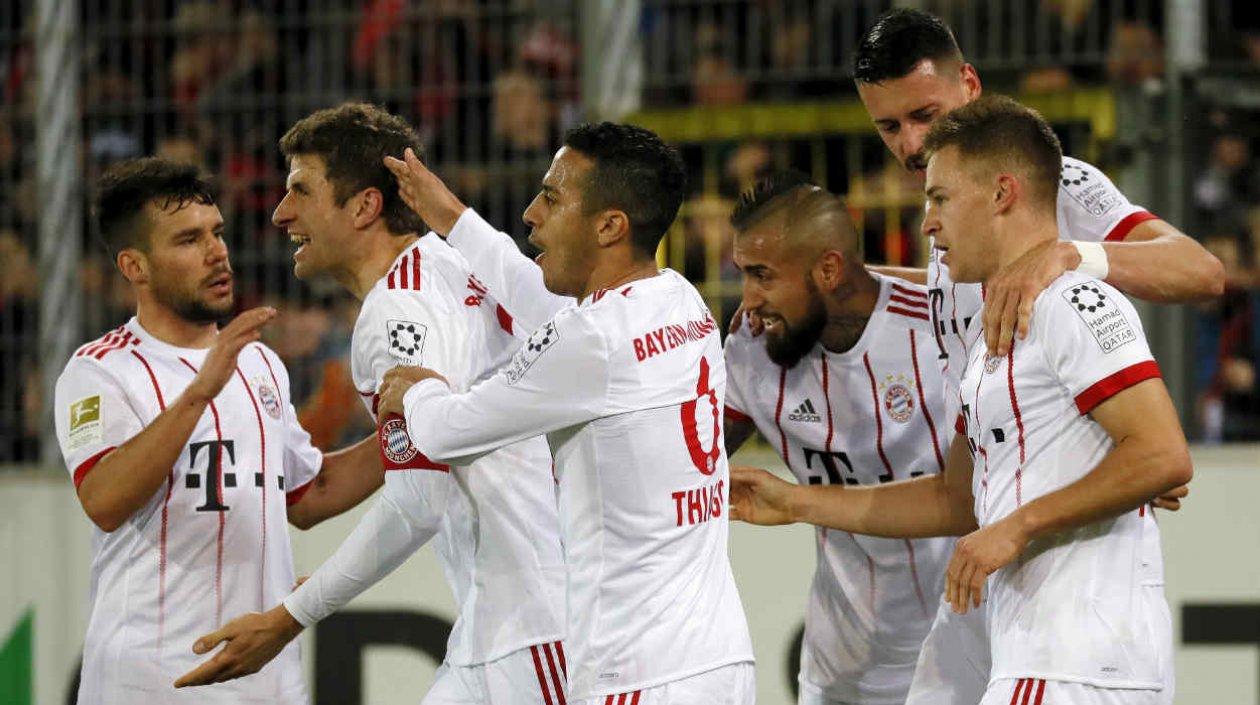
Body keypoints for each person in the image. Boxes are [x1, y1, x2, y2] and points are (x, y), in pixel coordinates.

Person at [734, 95, 1192, 705]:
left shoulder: (1073, 302)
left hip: (1080, 659)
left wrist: (1017, 526)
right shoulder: (980, 336)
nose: (927, 224)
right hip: (1017, 643)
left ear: (1002, 194)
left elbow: (1163, 456)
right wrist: (795, 502)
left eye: (940, 199)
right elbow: (954, 499)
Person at [173, 103, 568, 704]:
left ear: (363, 207)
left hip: (529, 631)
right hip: (512, 620)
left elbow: (419, 501)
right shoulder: (454, 263)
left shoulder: (395, 311)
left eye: (301, 190)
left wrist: (290, 616)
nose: (281, 213)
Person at [377, 122, 756, 705]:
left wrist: (417, 390)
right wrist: (453, 218)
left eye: (552, 198)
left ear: (610, 226)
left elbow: (448, 432)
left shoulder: (591, 340)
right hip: (719, 661)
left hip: (638, 676)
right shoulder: (681, 299)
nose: (531, 214)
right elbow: (538, 298)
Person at [53, 158, 384, 704]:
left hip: (269, 684)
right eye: (189, 240)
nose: (216, 252)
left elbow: (309, 494)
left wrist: (413, 432)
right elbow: (104, 500)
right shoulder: (100, 371)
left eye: (217, 232)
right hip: (152, 685)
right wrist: (199, 392)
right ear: (135, 266)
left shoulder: (258, 362)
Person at [721, 172, 954, 705]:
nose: (748, 300)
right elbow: (690, 457)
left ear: (828, 269)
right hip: (839, 676)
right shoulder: (753, 351)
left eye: (762, 275)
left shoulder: (941, 331)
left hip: (966, 662)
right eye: (743, 274)